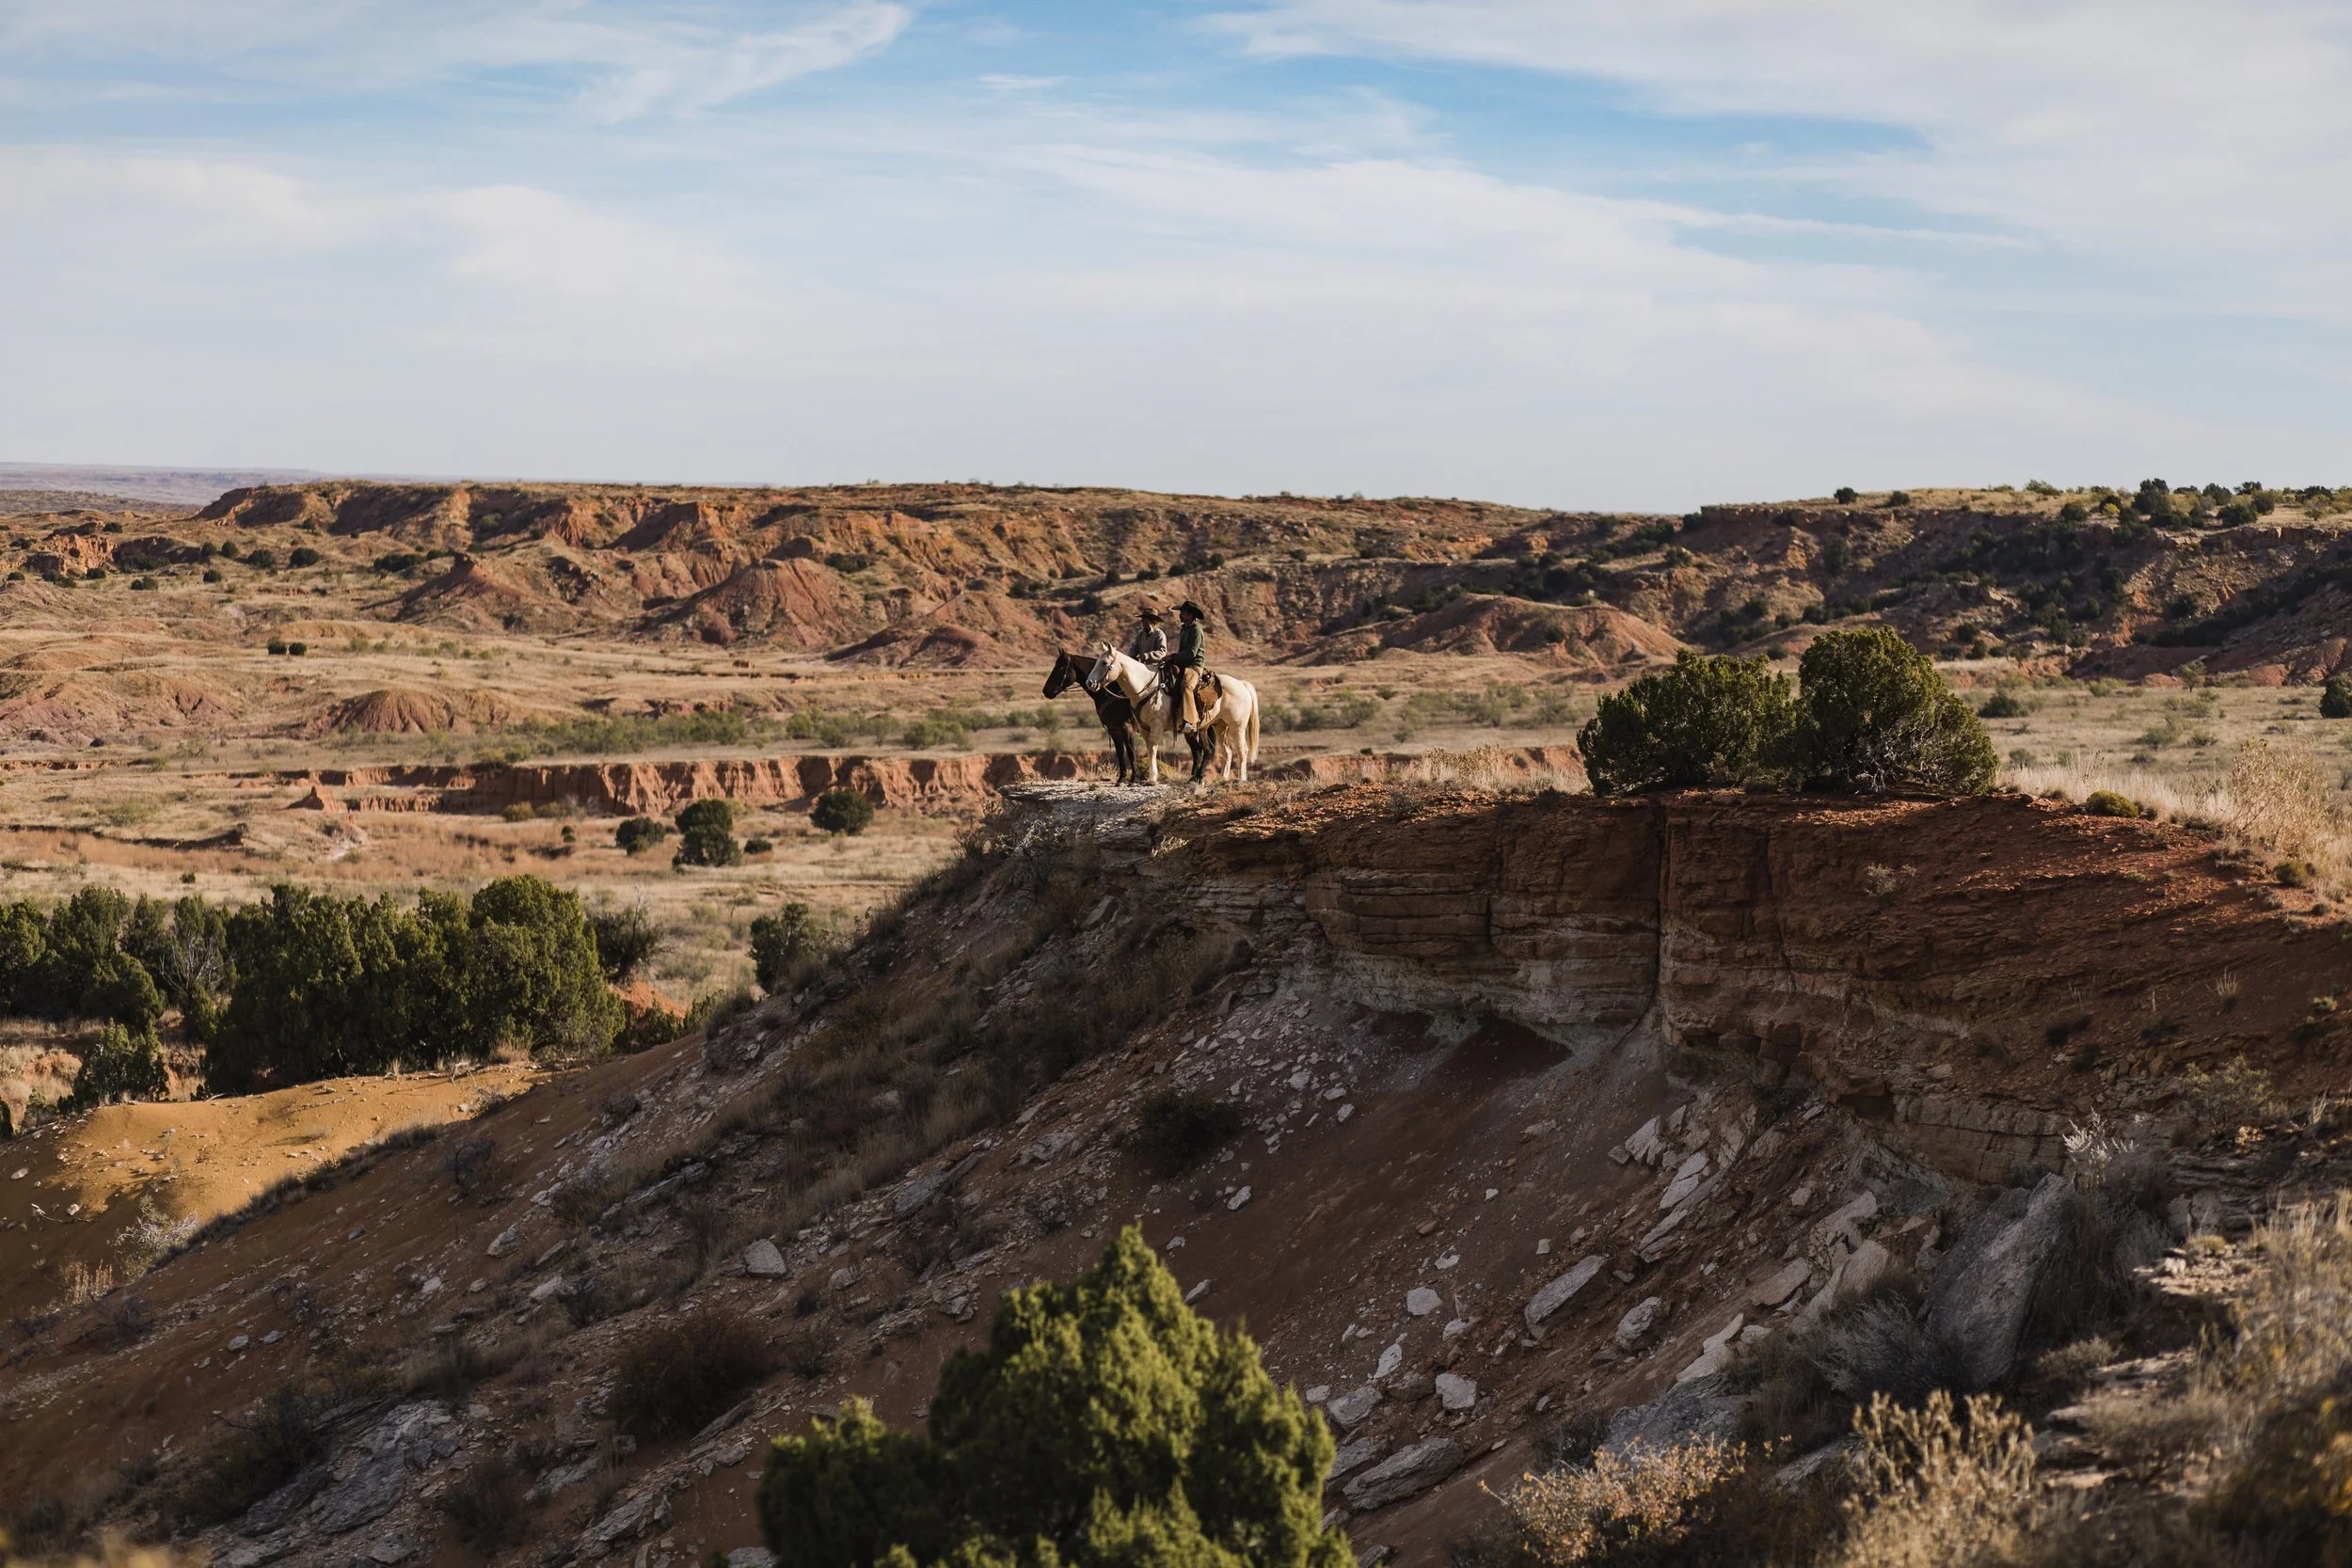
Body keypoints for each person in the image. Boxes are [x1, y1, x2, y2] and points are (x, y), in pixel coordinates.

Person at [1172, 600, 1210, 730]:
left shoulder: (1196, 629)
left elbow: (1192, 652)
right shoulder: (1184, 629)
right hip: (1183, 664)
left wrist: (1174, 656)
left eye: (1182, 612)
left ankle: (1190, 722)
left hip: (1194, 665)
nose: (1180, 615)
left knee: (1187, 686)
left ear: (1190, 615)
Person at [1125, 605, 1168, 669]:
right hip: (1142, 666)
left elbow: (1162, 652)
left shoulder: (1159, 634)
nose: (1142, 622)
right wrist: (1130, 657)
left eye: (1145, 620)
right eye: (1143, 620)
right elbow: (1134, 648)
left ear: (1152, 621)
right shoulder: (1141, 635)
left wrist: (1146, 656)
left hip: (1155, 667)